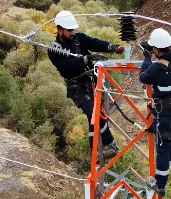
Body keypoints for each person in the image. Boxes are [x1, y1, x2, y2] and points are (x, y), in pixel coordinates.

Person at [48, 10, 125, 158]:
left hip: (91, 83)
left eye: (73, 30)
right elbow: (65, 68)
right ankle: (109, 143)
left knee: (94, 117)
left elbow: (94, 43)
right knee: (95, 113)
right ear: (60, 30)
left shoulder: (79, 38)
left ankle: (96, 151)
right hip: (77, 87)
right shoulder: (54, 49)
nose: (72, 33)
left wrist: (111, 47)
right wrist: (86, 59)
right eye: (69, 30)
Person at [138, 28, 171, 197]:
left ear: (156, 49)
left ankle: (159, 185)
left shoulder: (157, 68)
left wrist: (147, 58)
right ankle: (164, 172)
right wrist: (155, 50)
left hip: (168, 115)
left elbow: (144, 76)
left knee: (163, 147)